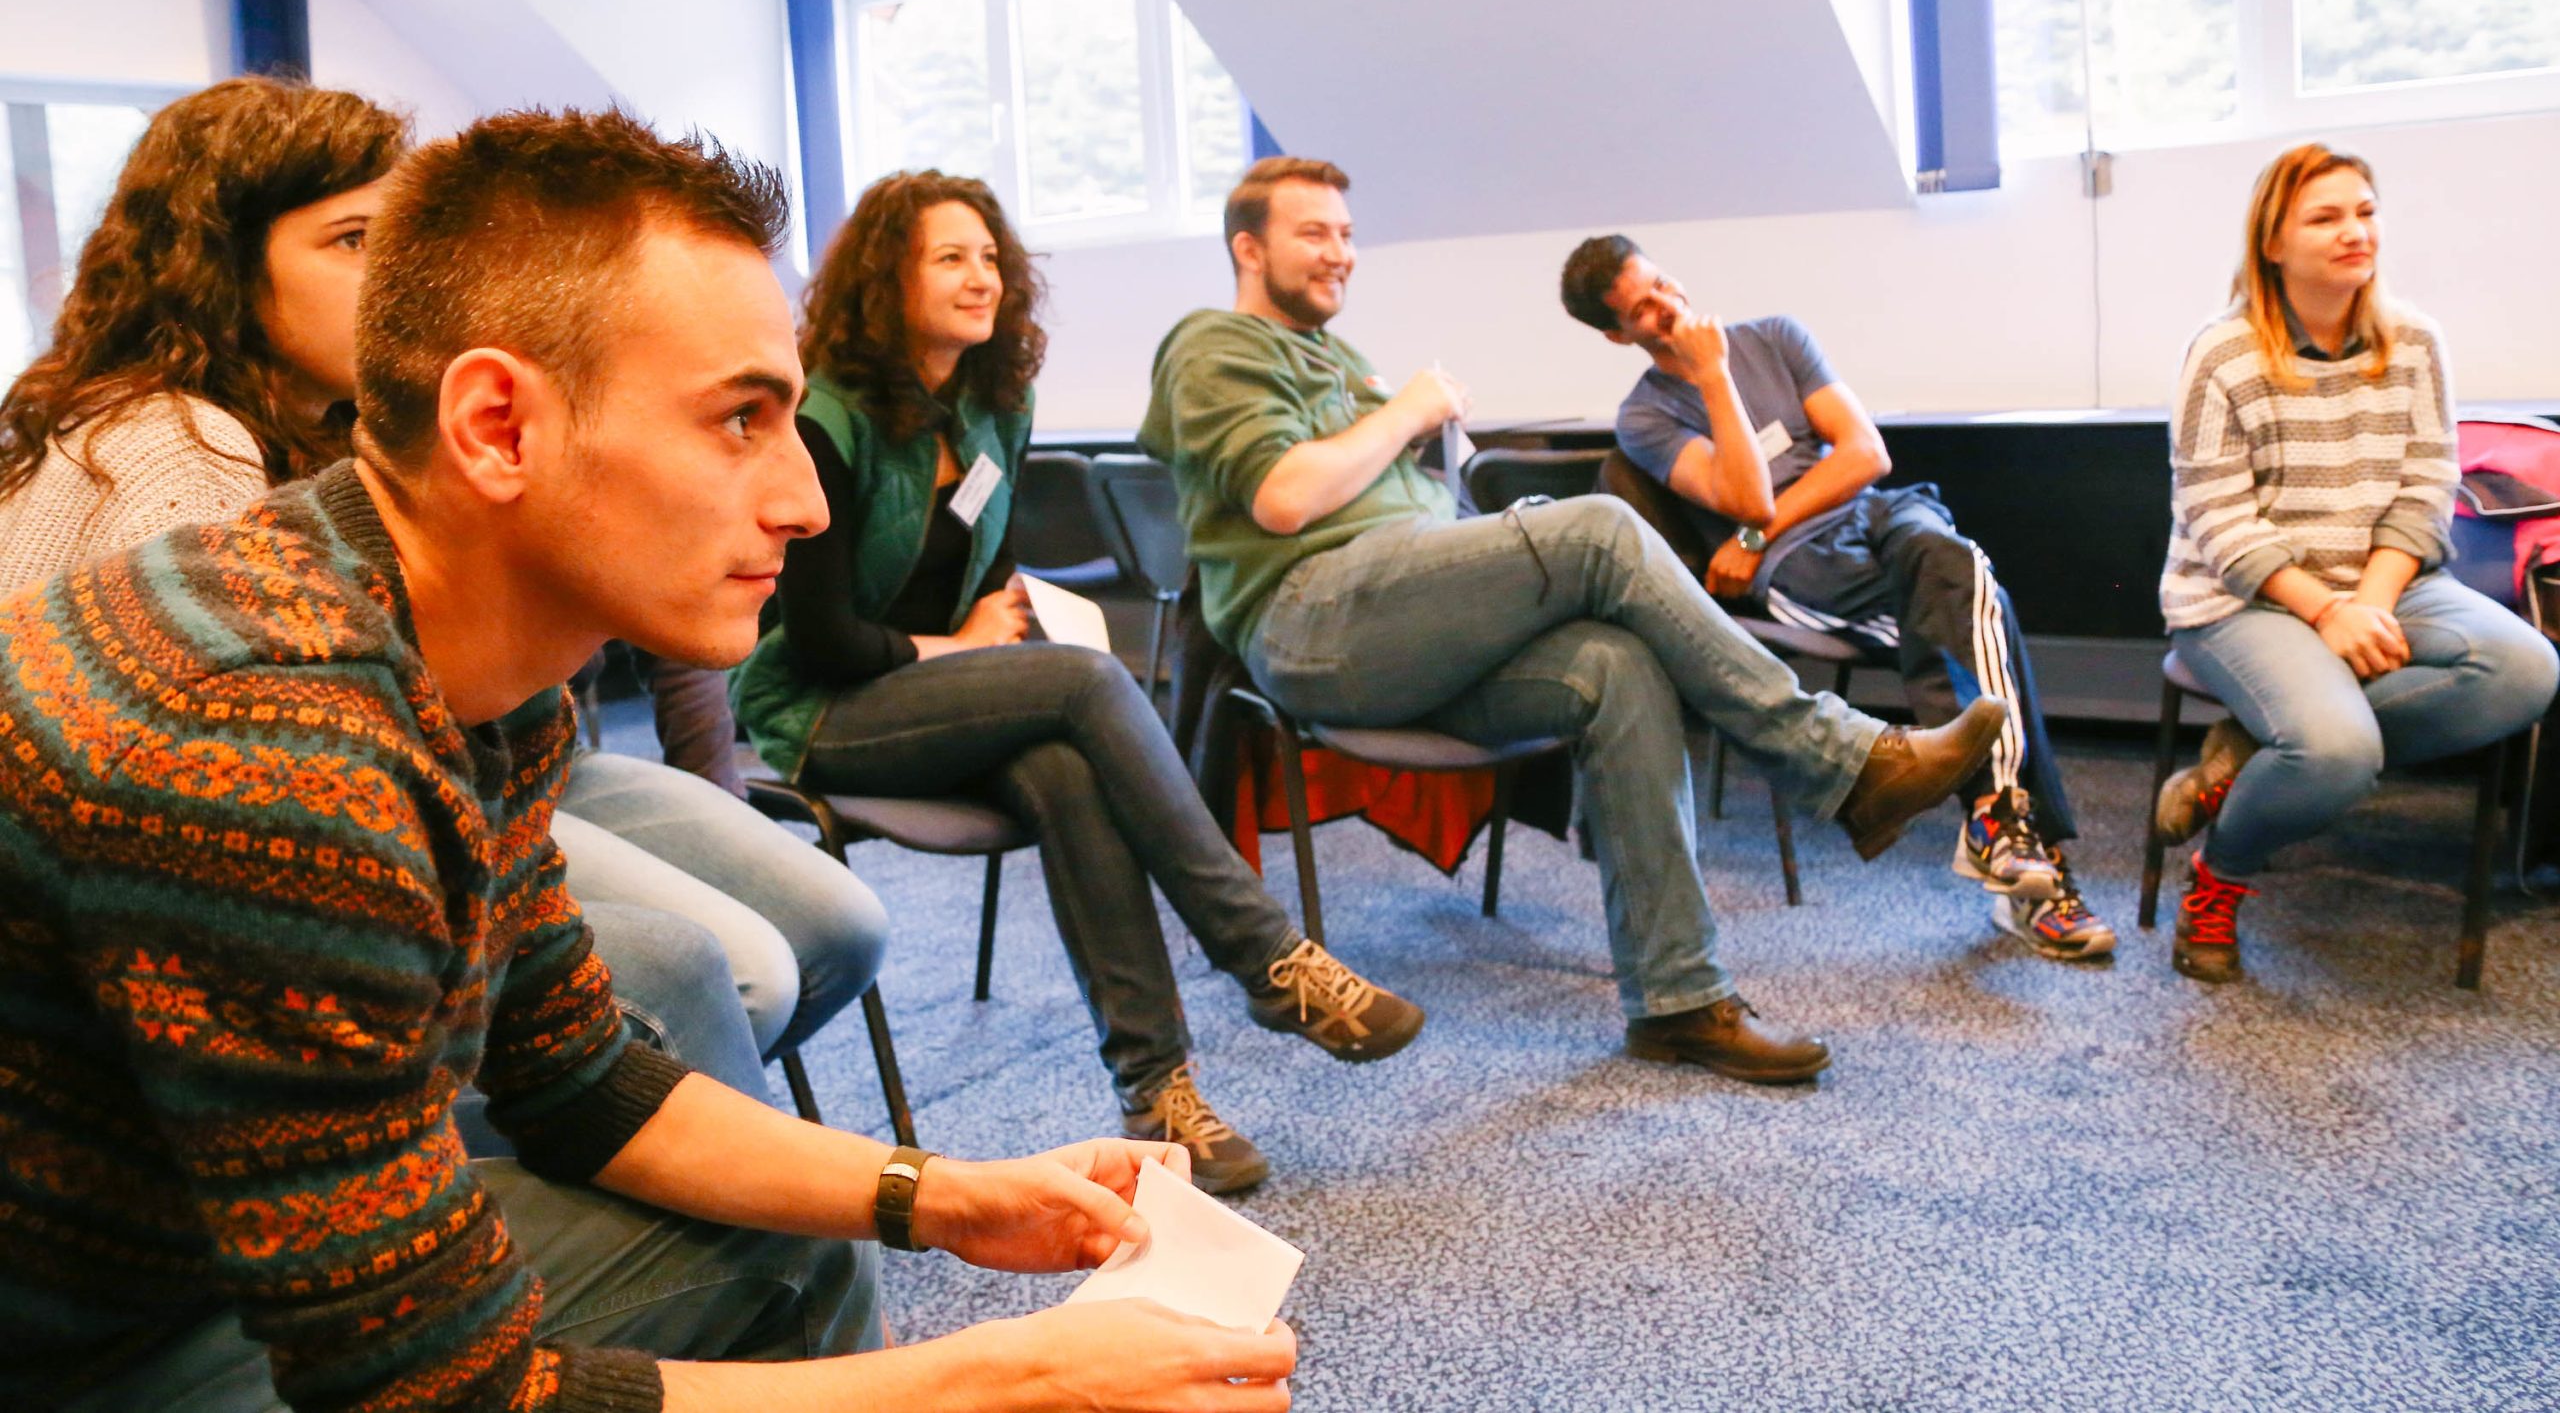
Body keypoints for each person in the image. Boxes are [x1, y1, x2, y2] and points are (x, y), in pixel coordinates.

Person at [0, 107, 1297, 1412]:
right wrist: (1005, 1375)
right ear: (498, 427)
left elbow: (577, 1072)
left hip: (173, 1264)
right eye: (739, 418)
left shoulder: (454, 654)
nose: (803, 500)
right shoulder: (277, 747)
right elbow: (434, 1394)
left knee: (794, 1242)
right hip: (86, 1352)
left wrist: (945, 1193)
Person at [0, 76, 883, 1075]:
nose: (394, 273)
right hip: (307, 818)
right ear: (222, 265)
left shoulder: (349, 425)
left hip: (461, 756)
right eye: (353, 240)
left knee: (831, 920)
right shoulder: (177, 448)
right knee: (711, 968)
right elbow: (250, 790)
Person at [1140, 156, 2010, 1083]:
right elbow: (1282, 498)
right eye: (1313, 233)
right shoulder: (1211, 343)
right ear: (1248, 248)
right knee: (1601, 528)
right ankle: (1844, 760)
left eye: (1347, 234)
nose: (1339, 252)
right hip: (1315, 618)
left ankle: (1679, 1000)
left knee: (1615, 667)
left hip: (1402, 619)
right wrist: (1409, 411)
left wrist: (1407, 431)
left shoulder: (1339, 359)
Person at [732, 168, 1423, 1194]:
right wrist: (967, 647)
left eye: (990, 257)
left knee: (1063, 767)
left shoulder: (991, 409)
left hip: (945, 693)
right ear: (887, 276)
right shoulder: (825, 420)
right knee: (1086, 684)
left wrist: (984, 631)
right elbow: (823, 640)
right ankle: (1270, 957)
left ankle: (1157, 1093)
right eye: (950, 258)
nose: (982, 277)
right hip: (824, 708)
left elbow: (991, 562)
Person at [1557, 234, 2115, 962]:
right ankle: (2016, 842)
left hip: (1873, 513)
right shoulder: (1645, 418)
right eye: (1643, 309)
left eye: (1661, 283)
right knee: (1979, 609)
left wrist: (1752, 537)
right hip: (1800, 566)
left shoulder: (1777, 336)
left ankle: (1998, 825)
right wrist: (1714, 376)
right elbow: (1747, 496)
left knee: (1954, 564)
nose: (1667, 306)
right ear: (1617, 335)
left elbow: (1866, 453)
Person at [2153, 143, 2557, 981]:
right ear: (2273, 242)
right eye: (2326, 217)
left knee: (2526, 668)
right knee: (2335, 750)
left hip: (2387, 581)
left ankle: (2260, 756)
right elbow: (2219, 519)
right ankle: (2219, 876)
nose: (2355, 232)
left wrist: (2367, 602)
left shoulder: (2416, 341)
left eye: (2365, 212)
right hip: (2242, 598)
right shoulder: (2222, 353)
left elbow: (2427, 487)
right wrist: (2327, 611)